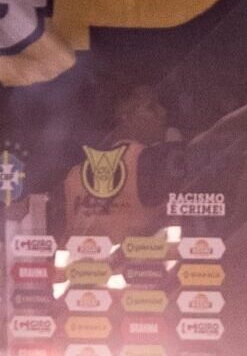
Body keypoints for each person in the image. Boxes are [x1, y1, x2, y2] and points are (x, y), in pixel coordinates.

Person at [61, 79, 180, 242]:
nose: (163, 112)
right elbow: (174, 228)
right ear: (126, 117)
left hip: (82, 264)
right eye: (151, 107)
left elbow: (68, 238)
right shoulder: (157, 163)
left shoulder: (77, 173)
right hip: (137, 264)